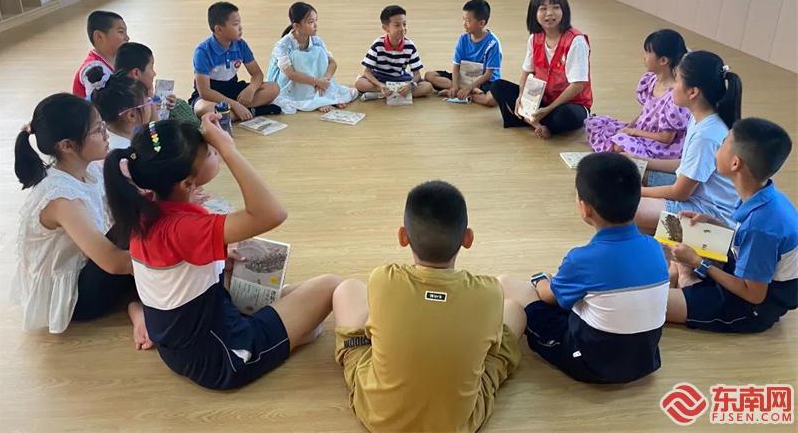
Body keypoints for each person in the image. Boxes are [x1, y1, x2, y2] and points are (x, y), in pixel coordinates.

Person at [103, 114, 340, 389]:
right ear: (186, 183)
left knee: (288, 293)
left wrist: (217, 262)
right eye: (211, 152)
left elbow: (174, 265)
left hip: (182, 347)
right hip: (223, 357)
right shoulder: (184, 228)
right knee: (331, 287)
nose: (216, 151)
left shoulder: (144, 209)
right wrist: (229, 149)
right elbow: (272, 213)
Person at [333, 180, 523, 432]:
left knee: (347, 289)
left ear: (403, 236)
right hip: (458, 423)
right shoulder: (490, 292)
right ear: (468, 238)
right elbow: (493, 349)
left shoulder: (383, 279)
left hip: (379, 417)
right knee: (515, 311)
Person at [500, 153, 669, 383]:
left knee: (506, 284)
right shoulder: (655, 247)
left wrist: (540, 280)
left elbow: (549, 297)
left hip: (590, 363)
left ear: (585, 208)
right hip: (645, 360)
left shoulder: (582, 259)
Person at [12, 93, 150, 349]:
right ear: (67, 145)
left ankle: (140, 303)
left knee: (141, 216)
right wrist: (174, 260)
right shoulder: (62, 198)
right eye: (98, 131)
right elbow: (113, 261)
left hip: (89, 266)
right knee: (152, 251)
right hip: (78, 298)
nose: (107, 134)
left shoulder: (87, 169)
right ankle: (140, 307)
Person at [666, 118, 797, 333]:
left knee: (652, 305)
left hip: (751, 307)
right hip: (746, 274)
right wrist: (715, 224)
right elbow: (749, 242)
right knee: (679, 238)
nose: (718, 147)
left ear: (735, 163)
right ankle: (684, 277)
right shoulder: (764, 195)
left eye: (724, 142)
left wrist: (699, 263)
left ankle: (686, 279)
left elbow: (754, 295)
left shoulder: (761, 225)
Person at [634, 50, 742, 231]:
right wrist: (641, 160)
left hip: (707, 212)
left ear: (692, 92)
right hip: (695, 195)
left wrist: (636, 193)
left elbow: (680, 192)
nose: (672, 87)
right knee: (631, 169)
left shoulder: (706, 135)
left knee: (621, 206)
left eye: (676, 81)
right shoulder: (700, 117)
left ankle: (674, 234)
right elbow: (685, 164)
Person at [490, 0, 592, 138]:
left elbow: (578, 85)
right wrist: (521, 97)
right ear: (534, 13)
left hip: (570, 104)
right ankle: (537, 124)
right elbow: (526, 73)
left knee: (565, 116)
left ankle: (529, 120)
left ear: (564, 10)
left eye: (556, 7)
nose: (550, 13)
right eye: (543, 8)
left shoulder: (576, 41)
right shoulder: (535, 38)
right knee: (498, 86)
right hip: (542, 99)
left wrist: (548, 109)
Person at [585, 29, 690, 159]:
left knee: (620, 145)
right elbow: (644, 113)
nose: (644, 57)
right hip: (643, 131)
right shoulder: (651, 80)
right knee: (594, 123)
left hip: (659, 144)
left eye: (648, 53)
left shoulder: (675, 97)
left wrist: (633, 132)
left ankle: (624, 151)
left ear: (663, 60)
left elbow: (666, 138)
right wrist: (627, 129)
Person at [189, 1, 281, 120]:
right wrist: (235, 105)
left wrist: (251, 89)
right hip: (211, 96)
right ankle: (252, 111)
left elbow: (257, 74)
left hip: (232, 88)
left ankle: (233, 114)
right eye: (236, 24)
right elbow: (205, 92)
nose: (240, 28)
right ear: (219, 29)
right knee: (202, 109)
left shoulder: (241, 45)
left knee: (273, 88)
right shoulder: (202, 52)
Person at [266, 2, 358, 113]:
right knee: (297, 56)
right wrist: (316, 81)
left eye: (316, 21)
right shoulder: (283, 45)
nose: (315, 25)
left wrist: (324, 80)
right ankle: (316, 99)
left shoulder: (316, 40)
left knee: (319, 52)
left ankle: (320, 95)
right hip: (287, 82)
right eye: (310, 22)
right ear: (296, 26)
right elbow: (290, 74)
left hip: (314, 81)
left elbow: (332, 63)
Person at [425, 0, 502, 107]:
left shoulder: (493, 43)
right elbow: (456, 66)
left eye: (468, 21)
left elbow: (488, 74)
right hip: (464, 77)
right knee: (429, 76)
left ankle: (467, 94)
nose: (464, 24)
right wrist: (455, 86)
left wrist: (469, 88)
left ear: (481, 23)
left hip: (483, 81)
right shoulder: (463, 38)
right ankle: (462, 91)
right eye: (463, 19)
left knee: (491, 100)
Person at [355, 5, 434, 100]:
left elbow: (417, 75)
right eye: (397, 25)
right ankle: (387, 92)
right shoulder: (378, 44)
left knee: (428, 87)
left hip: (400, 79)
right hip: (379, 78)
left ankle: (380, 94)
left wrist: (410, 85)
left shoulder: (410, 46)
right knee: (359, 83)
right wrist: (380, 85)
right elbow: (367, 72)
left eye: (404, 24)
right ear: (385, 28)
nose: (403, 28)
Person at [115, 41, 199, 124]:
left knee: (178, 104)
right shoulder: (132, 103)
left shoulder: (133, 91)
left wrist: (159, 101)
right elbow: (153, 129)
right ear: (136, 73)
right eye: (151, 67)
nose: (154, 73)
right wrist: (152, 106)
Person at [88, 68, 155, 150]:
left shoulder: (107, 139)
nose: (151, 104)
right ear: (131, 115)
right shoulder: (127, 151)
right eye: (148, 101)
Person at [72, 10, 129, 98]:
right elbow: (100, 103)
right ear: (99, 36)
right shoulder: (93, 68)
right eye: (121, 32)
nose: (127, 38)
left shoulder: (117, 60)